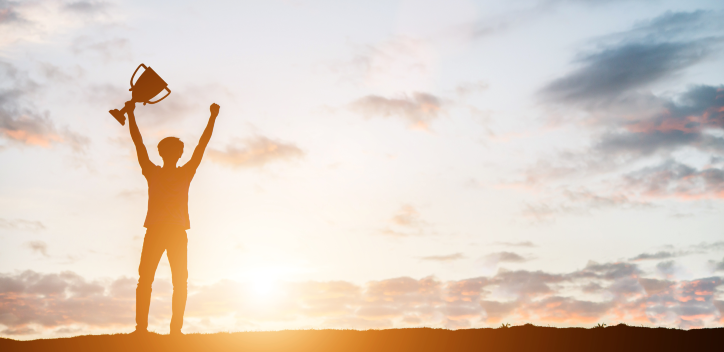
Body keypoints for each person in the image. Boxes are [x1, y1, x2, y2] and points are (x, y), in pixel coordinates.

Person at [126, 101, 220, 336]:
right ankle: (173, 331)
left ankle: (143, 330)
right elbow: (202, 145)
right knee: (177, 282)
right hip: (173, 232)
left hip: (159, 231)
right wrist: (212, 117)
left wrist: (130, 114)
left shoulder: (153, 171)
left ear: (162, 152)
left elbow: (138, 143)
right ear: (178, 154)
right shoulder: (183, 172)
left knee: (147, 281)